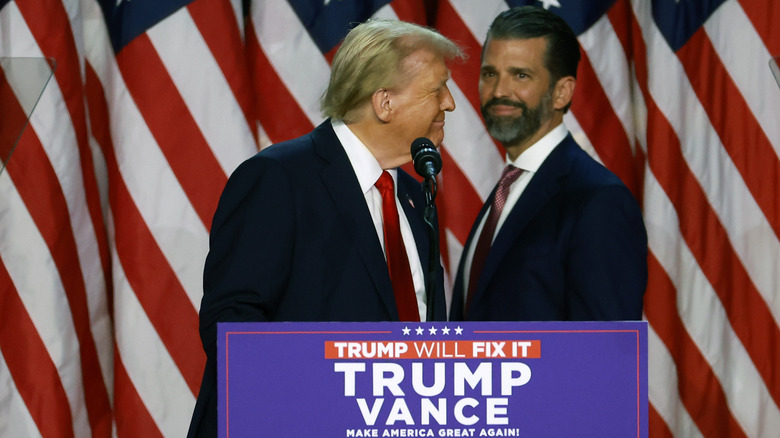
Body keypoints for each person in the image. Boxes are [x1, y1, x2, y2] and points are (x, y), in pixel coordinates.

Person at [187, 19, 463, 437]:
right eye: (436, 89)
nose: (450, 103)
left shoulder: (413, 195)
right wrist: (314, 405)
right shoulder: (279, 179)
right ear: (384, 102)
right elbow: (233, 325)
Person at [450, 6, 647, 322]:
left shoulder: (599, 201)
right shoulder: (506, 190)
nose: (499, 91)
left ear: (562, 92)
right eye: (490, 73)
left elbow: (605, 355)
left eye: (521, 75)